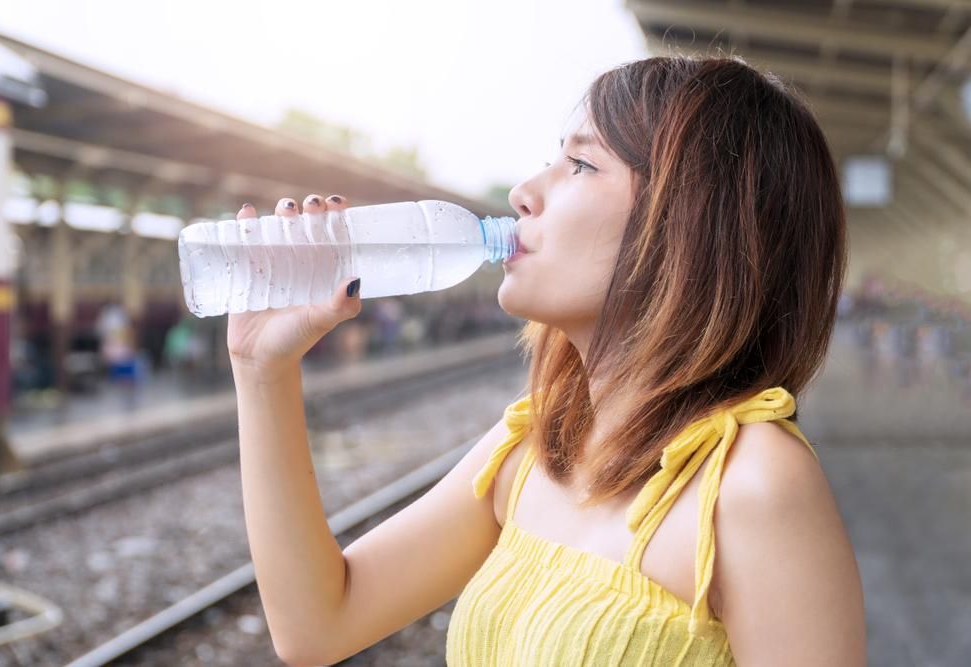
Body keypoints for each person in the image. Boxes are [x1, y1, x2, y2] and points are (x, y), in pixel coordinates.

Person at [227, 54, 865, 666]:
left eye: (581, 165)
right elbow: (317, 624)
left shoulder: (752, 486)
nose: (523, 193)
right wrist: (262, 373)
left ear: (694, 221)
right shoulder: (530, 452)